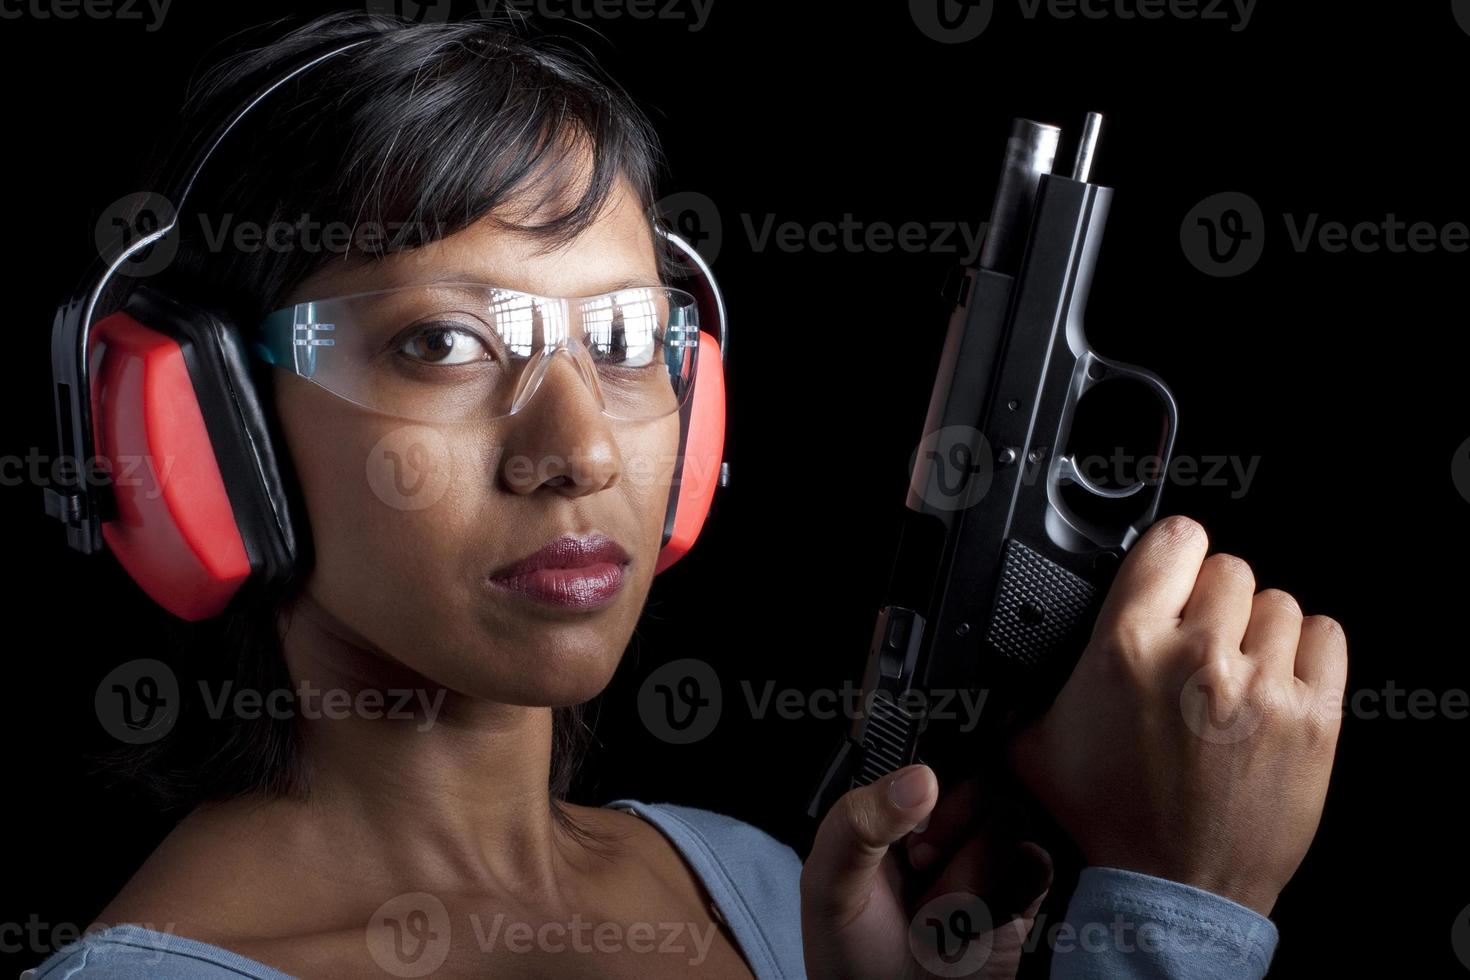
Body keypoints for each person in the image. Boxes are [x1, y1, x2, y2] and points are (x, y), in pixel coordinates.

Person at [29, 12, 1346, 980]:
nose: (580, 450)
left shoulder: (773, 890)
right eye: (439, 344)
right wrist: (1179, 911)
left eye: (620, 341)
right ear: (205, 432)